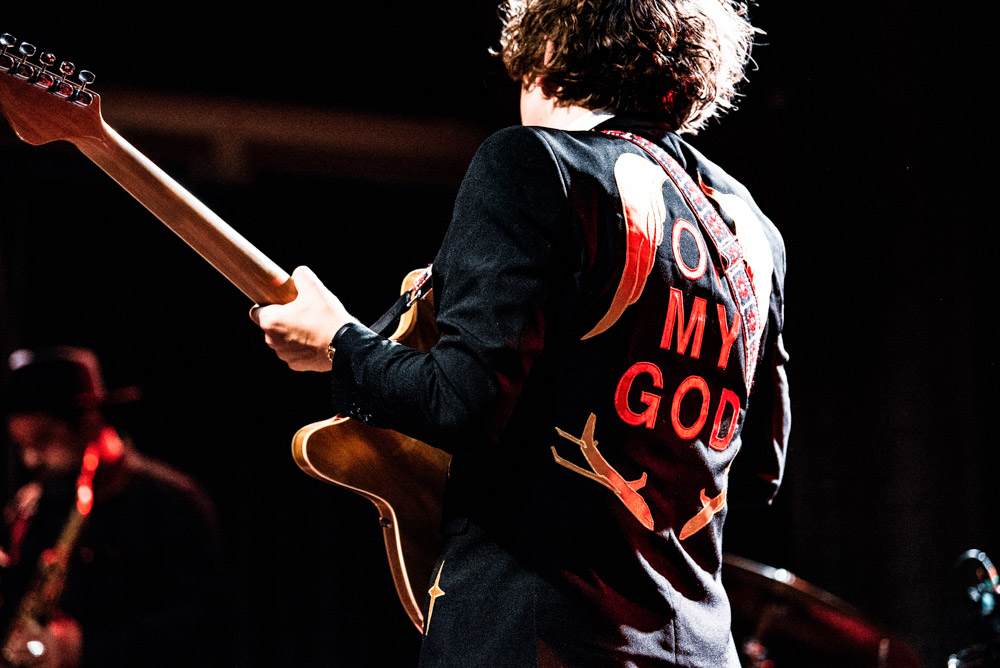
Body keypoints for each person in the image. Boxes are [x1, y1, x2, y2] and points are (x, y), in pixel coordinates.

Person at [251, 0, 790, 666]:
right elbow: (761, 467)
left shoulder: (533, 162)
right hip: (701, 649)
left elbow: (463, 402)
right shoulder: (748, 228)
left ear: (545, 51)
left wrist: (338, 342)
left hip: (541, 640)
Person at [0, 346, 225, 668]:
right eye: (22, 445)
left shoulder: (170, 500)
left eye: (44, 440)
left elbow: (205, 623)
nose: (31, 459)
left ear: (89, 422)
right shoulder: (32, 504)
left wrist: (87, 647)